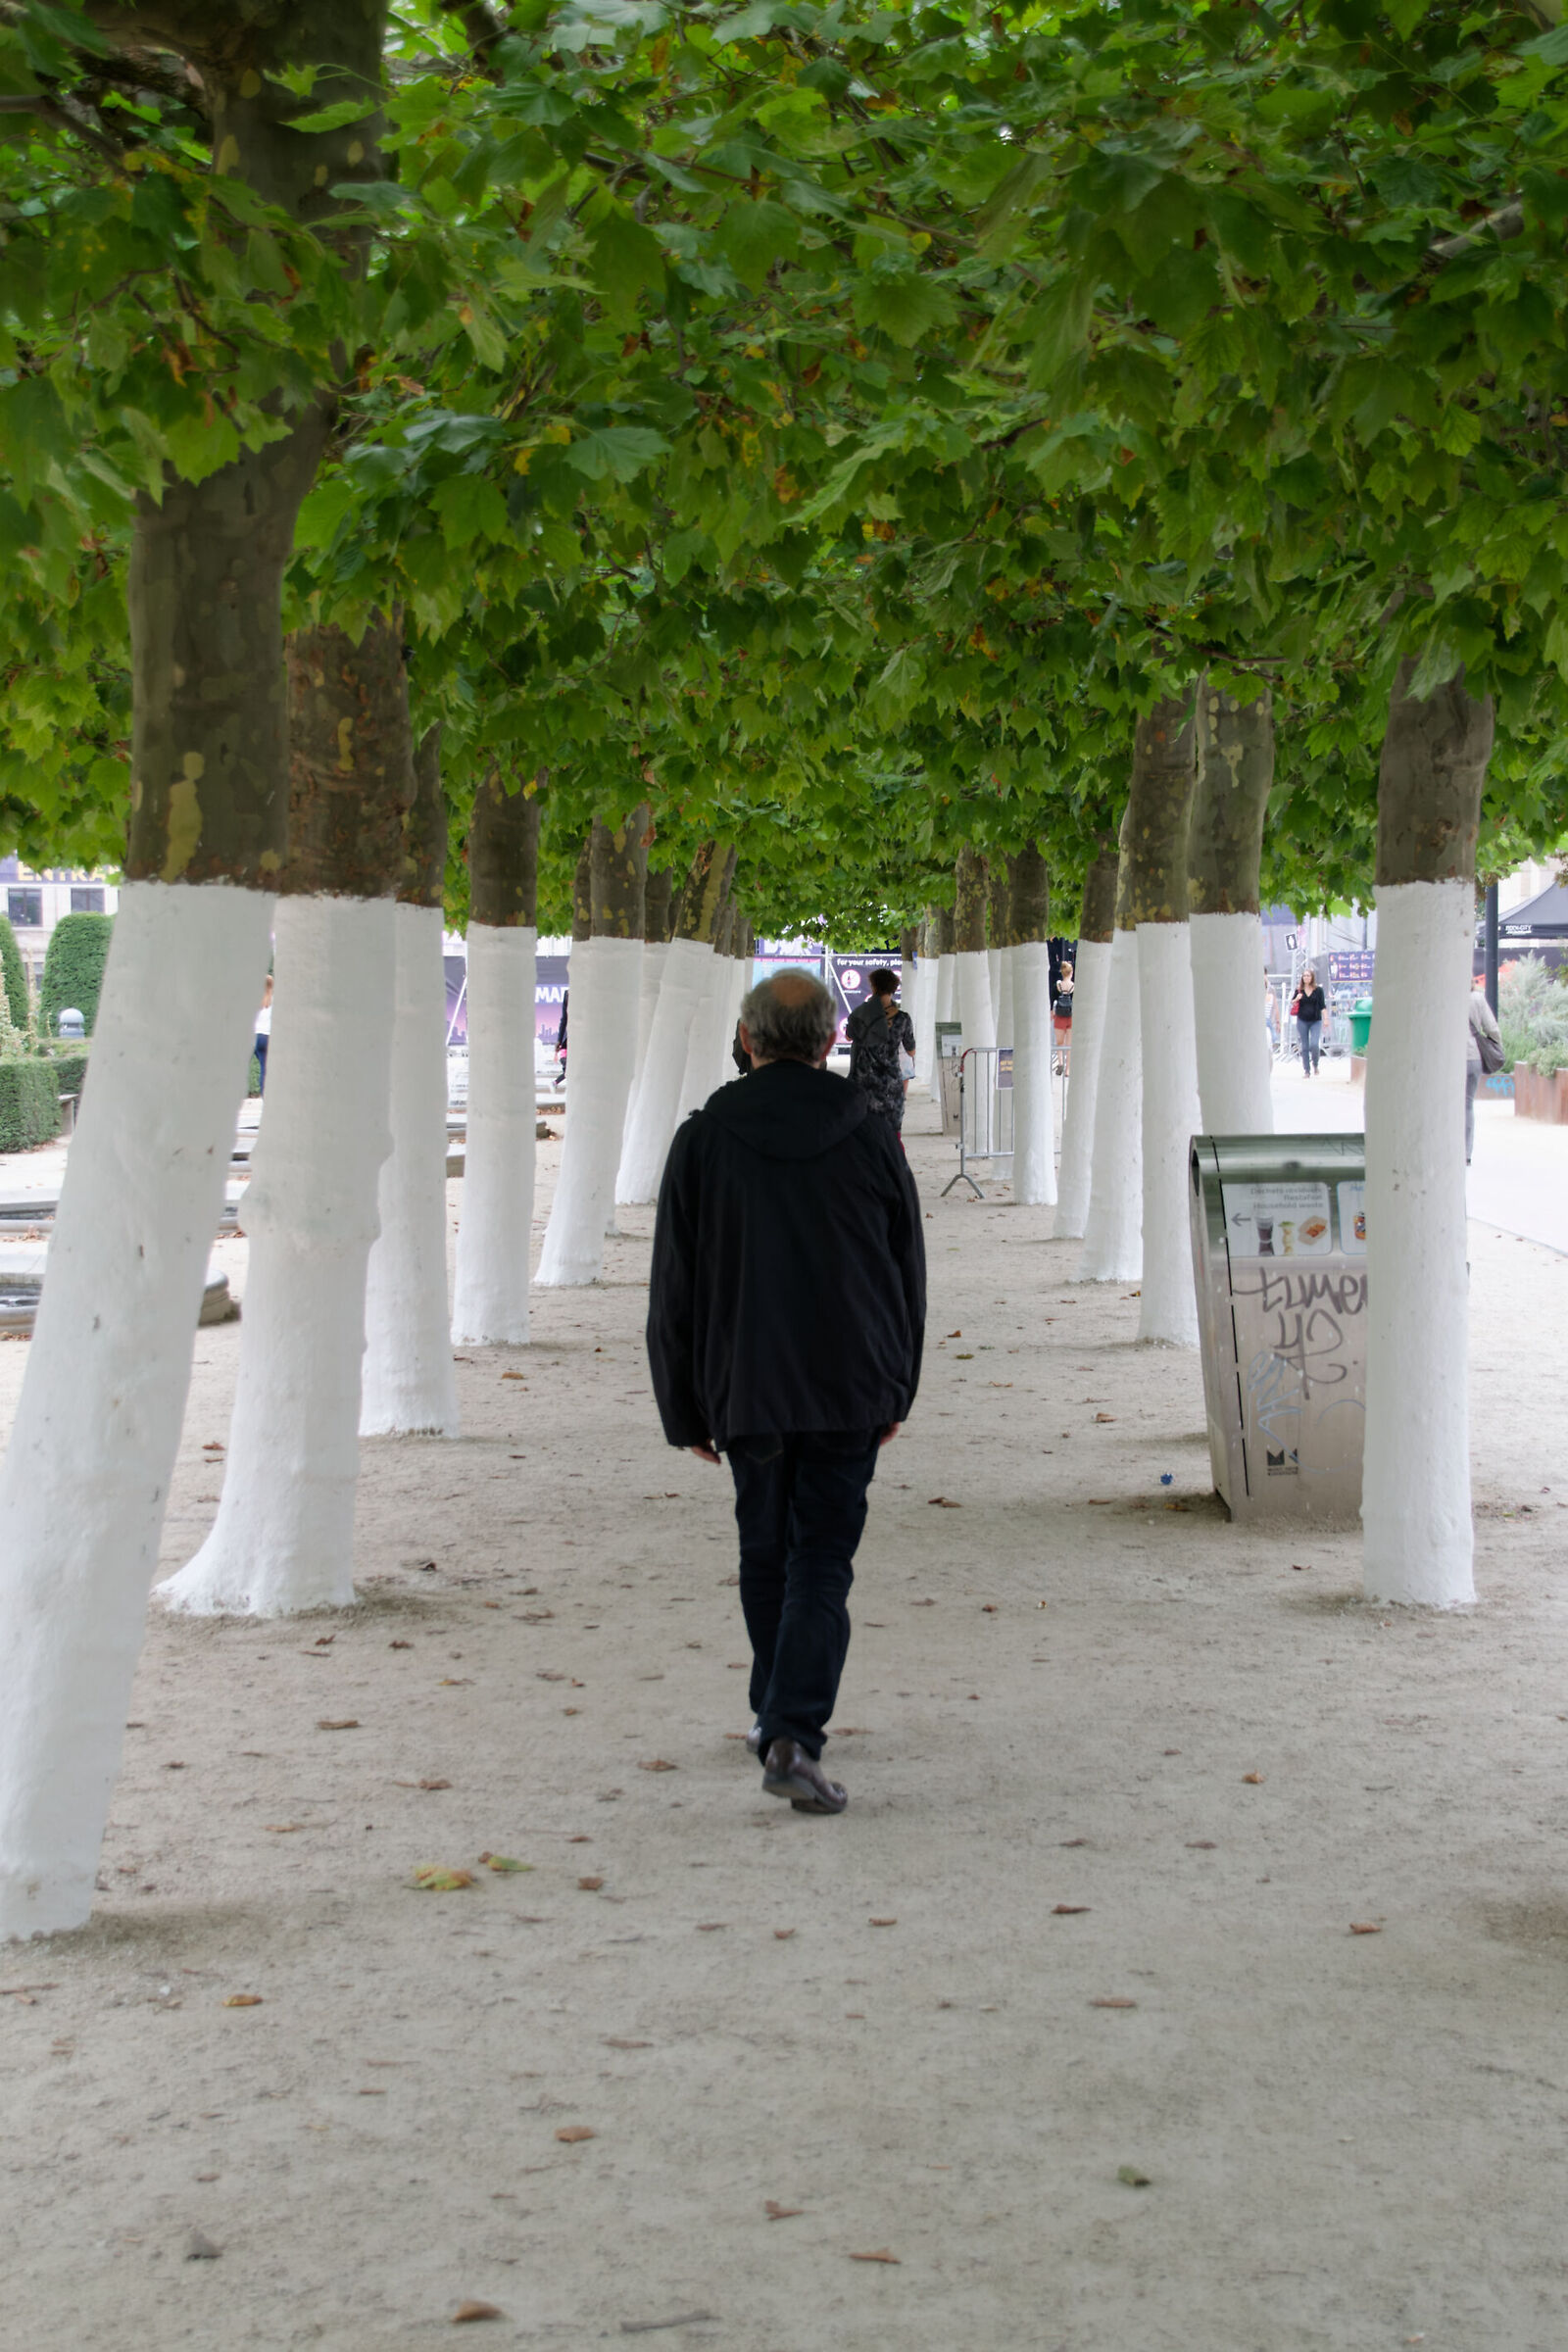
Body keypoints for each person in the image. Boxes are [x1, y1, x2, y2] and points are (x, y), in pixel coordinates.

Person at [647, 969, 925, 1816]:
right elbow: (906, 1271)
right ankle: (792, 1731)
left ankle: (778, 1716)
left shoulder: (702, 1138)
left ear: (748, 1038)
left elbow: (674, 1286)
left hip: (747, 1380)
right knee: (820, 1561)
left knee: (765, 1552)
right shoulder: (870, 1132)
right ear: (832, 1041)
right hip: (848, 1379)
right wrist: (897, 1388)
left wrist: (682, 1402)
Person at [844, 966, 916, 1132]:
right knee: (891, 1133)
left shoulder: (860, 1014)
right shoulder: (903, 1019)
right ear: (894, 988)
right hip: (891, 1084)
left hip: (863, 1081)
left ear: (873, 987)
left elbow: (849, 1036)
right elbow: (911, 1050)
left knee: (864, 1130)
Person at [1466, 971, 1503, 1165]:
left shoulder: (1442, 998)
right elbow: (1492, 1028)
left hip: (1447, 1059)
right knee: (1466, 1105)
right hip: (1472, 1057)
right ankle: (1465, 1153)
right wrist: (1497, 1046)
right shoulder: (1477, 999)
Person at [1292, 966, 1325, 1075]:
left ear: (1312, 977)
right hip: (1302, 1020)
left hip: (1315, 1020)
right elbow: (1292, 1002)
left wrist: (1326, 1019)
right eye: (1304, 976)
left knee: (1314, 1044)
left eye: (1308, 975)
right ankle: (1307, 1070)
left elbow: (1322, 1005)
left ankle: (1315, 1063)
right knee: (1305, 1046)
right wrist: (1297, 998)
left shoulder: (1318, 990)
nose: (1306, 977)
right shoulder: (1299, 990)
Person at [1054, 958, 1074, 1075]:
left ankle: (1060, 1063)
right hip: (1070, 1016)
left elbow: (1052, 999)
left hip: (1059, 1017)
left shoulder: (1057, 986)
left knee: (1060, 1042)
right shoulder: (1073, 987)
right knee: (1069, 1045)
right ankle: (1068, 1070)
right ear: (1071, 973)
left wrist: (1052, 1011)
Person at [253, 973, 272, 1095]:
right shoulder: (274, 1000)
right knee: (265, 1068)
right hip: (267, 1036)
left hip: (254, 1036)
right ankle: (266, 1095)